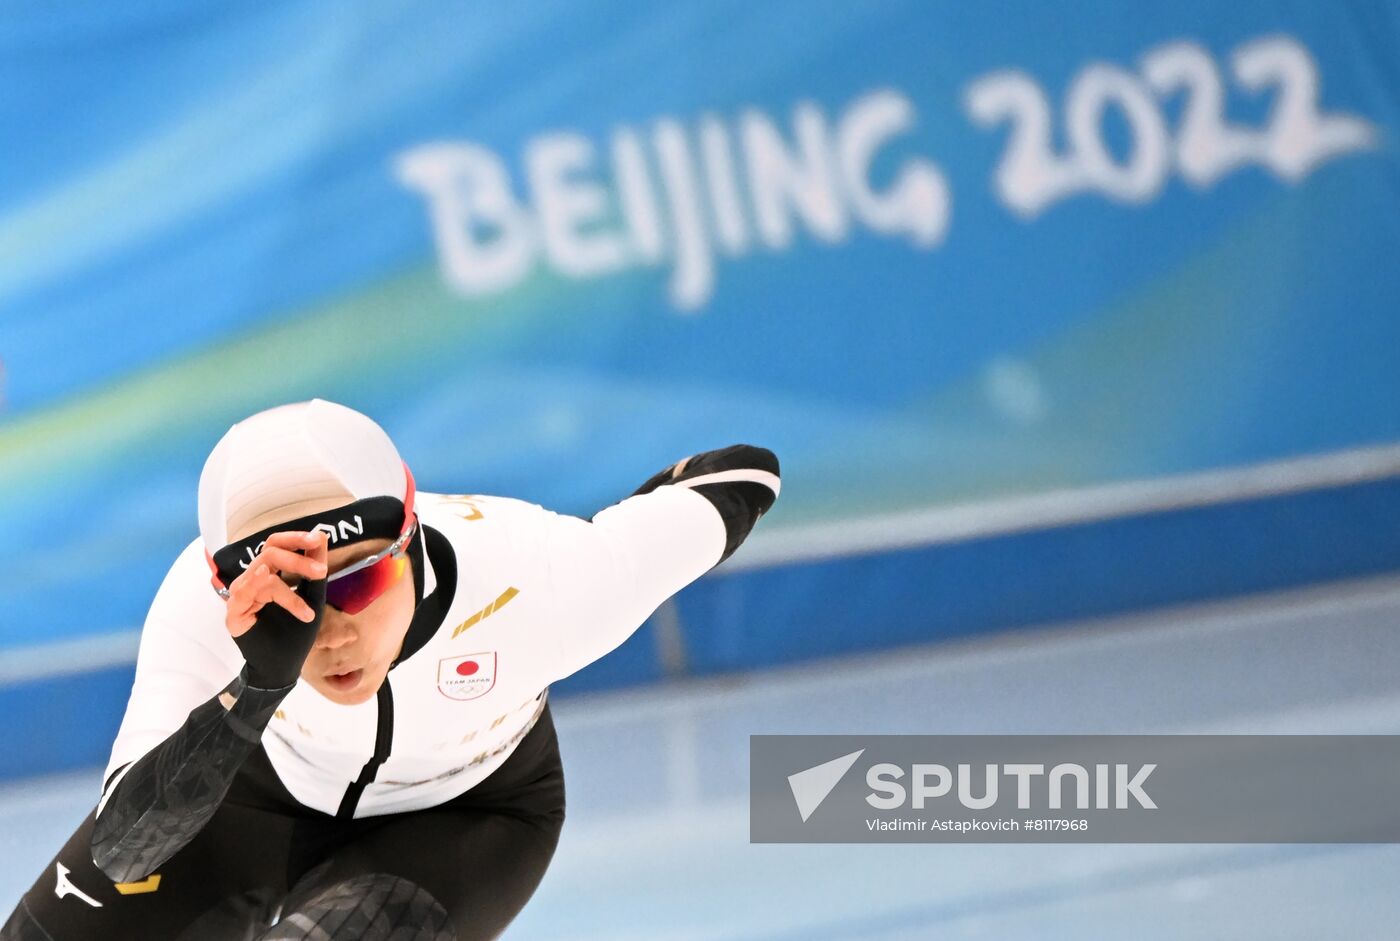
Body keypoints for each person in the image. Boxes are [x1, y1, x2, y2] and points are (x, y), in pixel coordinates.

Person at [2, 399, 780, 940]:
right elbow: (128, 851)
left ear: (410, 538)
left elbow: (745, 476)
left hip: (462, 818)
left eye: (359, 579)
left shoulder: (540, 575)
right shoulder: (196, 612)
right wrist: (256, 689)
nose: (331, 630)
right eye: (291, 604)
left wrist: (649, 514)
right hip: (246, 796)